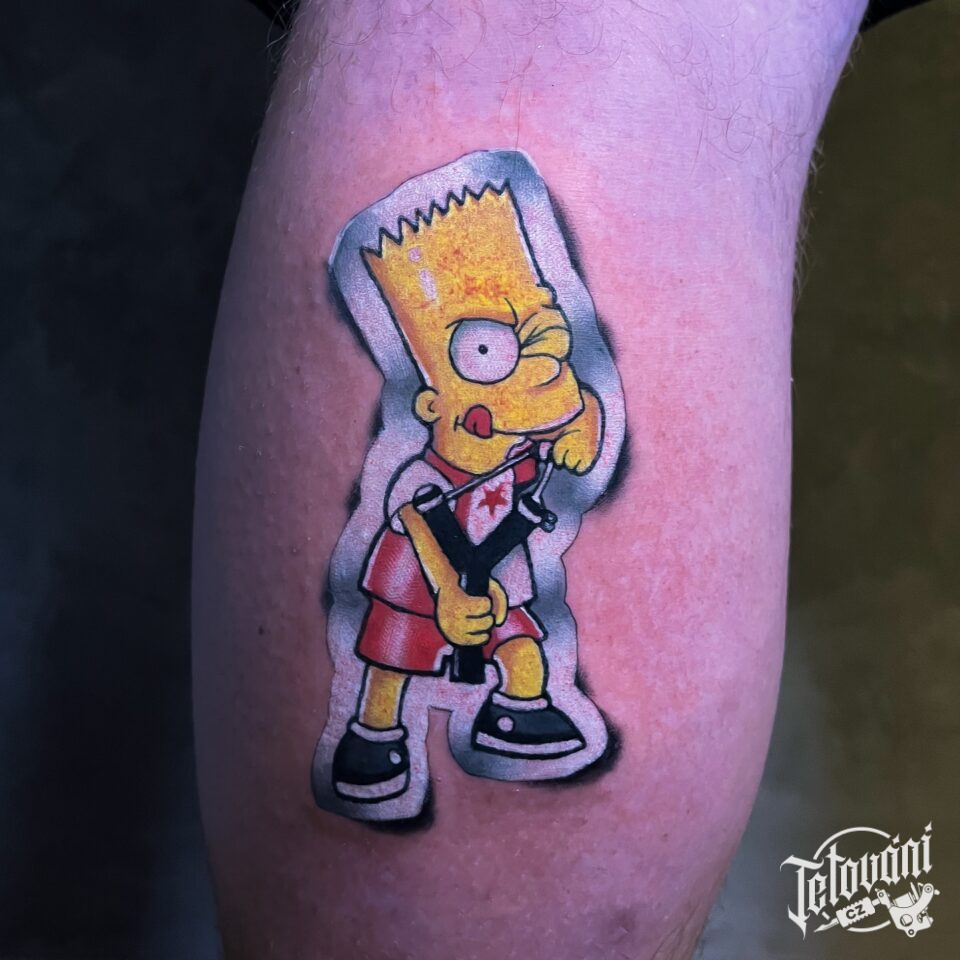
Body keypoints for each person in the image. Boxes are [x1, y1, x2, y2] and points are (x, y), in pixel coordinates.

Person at [191, 0, 897, 956]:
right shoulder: (429, 474)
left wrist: (585, 426)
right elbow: (423, 525)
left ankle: (521, 710)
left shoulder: (532, 432)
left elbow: (575, 431)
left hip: (500, 578)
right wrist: (451, 593)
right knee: (393, 667)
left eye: (548, 345)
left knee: (519, 651)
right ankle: (375, 738)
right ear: (435, 403)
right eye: (496, 355)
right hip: (423, 580)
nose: (543, 372)